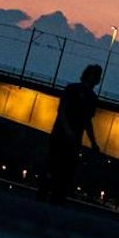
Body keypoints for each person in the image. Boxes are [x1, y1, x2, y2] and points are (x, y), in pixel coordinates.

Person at [42, 63, 103, 203]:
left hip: (65, 136)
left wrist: (93, 142)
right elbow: (65, 113)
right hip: (66, 137)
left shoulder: (80, 93)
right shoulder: (82, 94)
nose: (95, 78)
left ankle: (50, 194)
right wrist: (91, 142)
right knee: (60, 168)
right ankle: (52, 196)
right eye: (95, 75)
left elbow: (83, 120)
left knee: (59, 168)